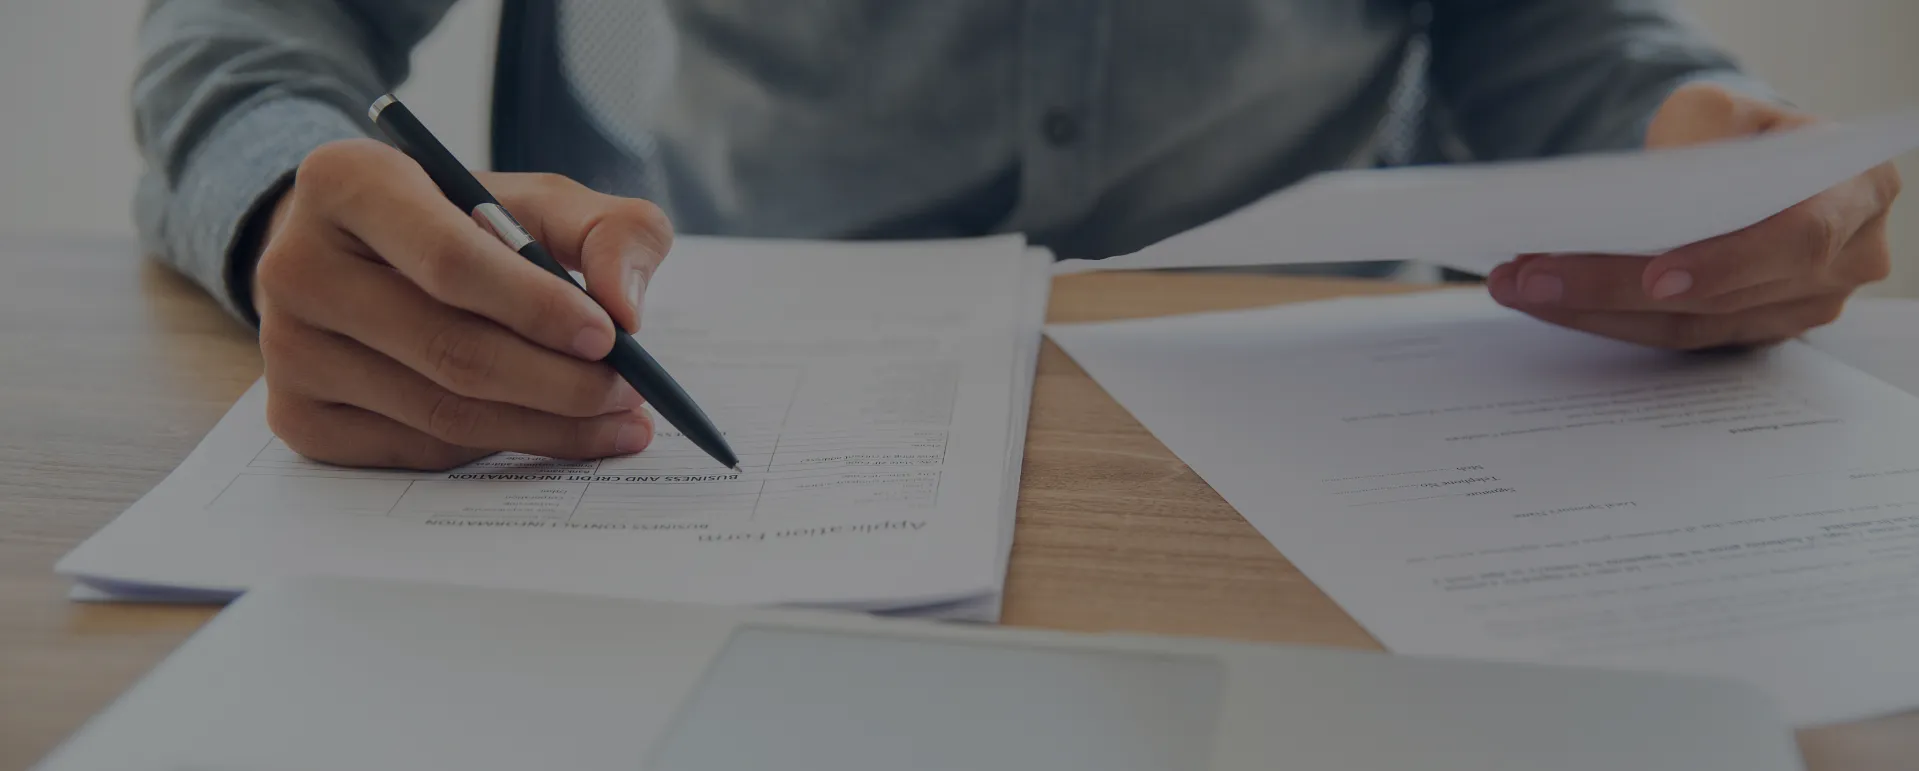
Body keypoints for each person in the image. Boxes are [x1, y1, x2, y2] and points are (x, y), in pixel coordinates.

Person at [133, 0, 1901, 470]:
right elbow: (255, 22)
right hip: (673, 409)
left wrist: (1683, 154)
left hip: (1336, 433)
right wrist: (294, 194)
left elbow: (1535, 28)